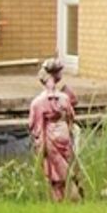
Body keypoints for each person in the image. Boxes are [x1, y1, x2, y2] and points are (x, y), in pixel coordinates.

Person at [28, 57, 82, 200]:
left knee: (55, 172)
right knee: (67, 165)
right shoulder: (64, 98)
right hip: (63, 132)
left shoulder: (38, 102)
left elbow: (35, 126)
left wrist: (40, 145)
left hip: (50, 135)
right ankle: (71, 197)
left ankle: (63, 198)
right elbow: (71, 117)